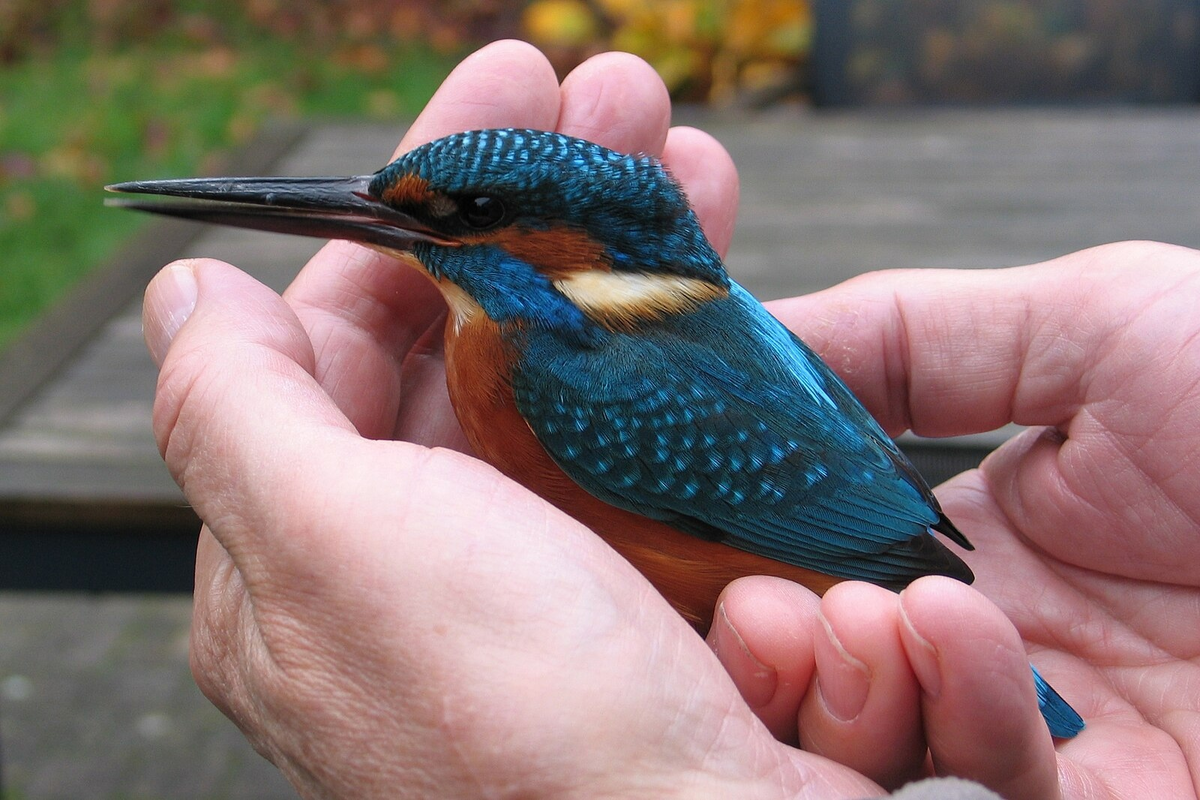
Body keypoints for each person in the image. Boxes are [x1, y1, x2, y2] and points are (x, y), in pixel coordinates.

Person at [140, 40, 1200, 799]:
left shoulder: (565, 371)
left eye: (462, 222)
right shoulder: (556, 334)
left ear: (578, 250)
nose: (415, 232)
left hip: (847, 551)